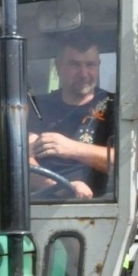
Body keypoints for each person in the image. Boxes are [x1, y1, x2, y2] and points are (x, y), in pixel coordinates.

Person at [29, 31, 115, 198]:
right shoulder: (37, 106)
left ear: (99, 66)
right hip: (38, 206)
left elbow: (130, 161)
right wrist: (60, 187)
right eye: (75, 65)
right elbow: (21, 160)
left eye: (90, 65)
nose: (84, 74)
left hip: (101, 207)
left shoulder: (113, 105)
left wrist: (72, 148)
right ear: (58, 66)